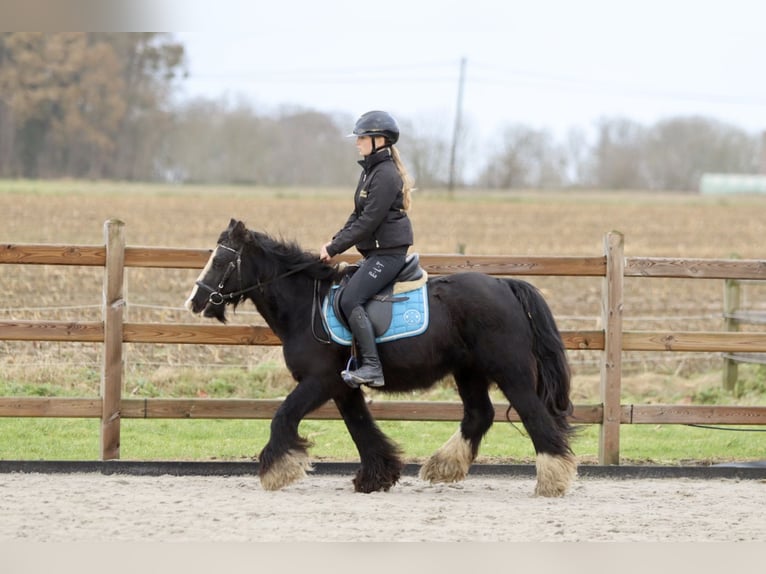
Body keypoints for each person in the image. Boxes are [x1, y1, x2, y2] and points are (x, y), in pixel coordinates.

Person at [319, 110, 414, 388]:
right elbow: (356, 216)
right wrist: (332, 243)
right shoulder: (371, 172)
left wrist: (336, 247)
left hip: (388, 254)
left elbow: (369, 222)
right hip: (375, 254)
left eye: (361, 137)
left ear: (379, 140)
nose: (357, 142)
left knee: (350, 300)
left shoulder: (385, 175)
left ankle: (372, 367)